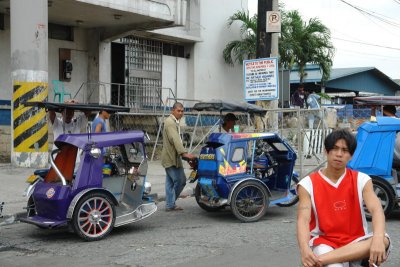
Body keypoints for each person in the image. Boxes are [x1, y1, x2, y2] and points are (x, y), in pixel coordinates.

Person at [297, 129, 391, 267]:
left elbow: (377, 210)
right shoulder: (307, 184)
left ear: (351, 156)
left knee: (383, 240)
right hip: (325, 242)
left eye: (345, 150)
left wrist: (377, 238)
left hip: (356, 241)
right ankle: (325, 259)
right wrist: (304, 249)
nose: (339, 154)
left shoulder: (362, 180)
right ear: (326, 151)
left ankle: (320, 261)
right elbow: (303, 220)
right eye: (335, 149)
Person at [161, 102, 195, 211]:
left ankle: (170, 204)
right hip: (171, 158)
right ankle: (170, 203)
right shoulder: (170, 122)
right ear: (173, 111)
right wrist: (184, 154)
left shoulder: (173, 122)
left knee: (170, 182)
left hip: (170, 157)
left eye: (182, 111)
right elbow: (175, 140)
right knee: (181, 181)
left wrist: (183, 155)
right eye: (178, 111)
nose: (180, 113)